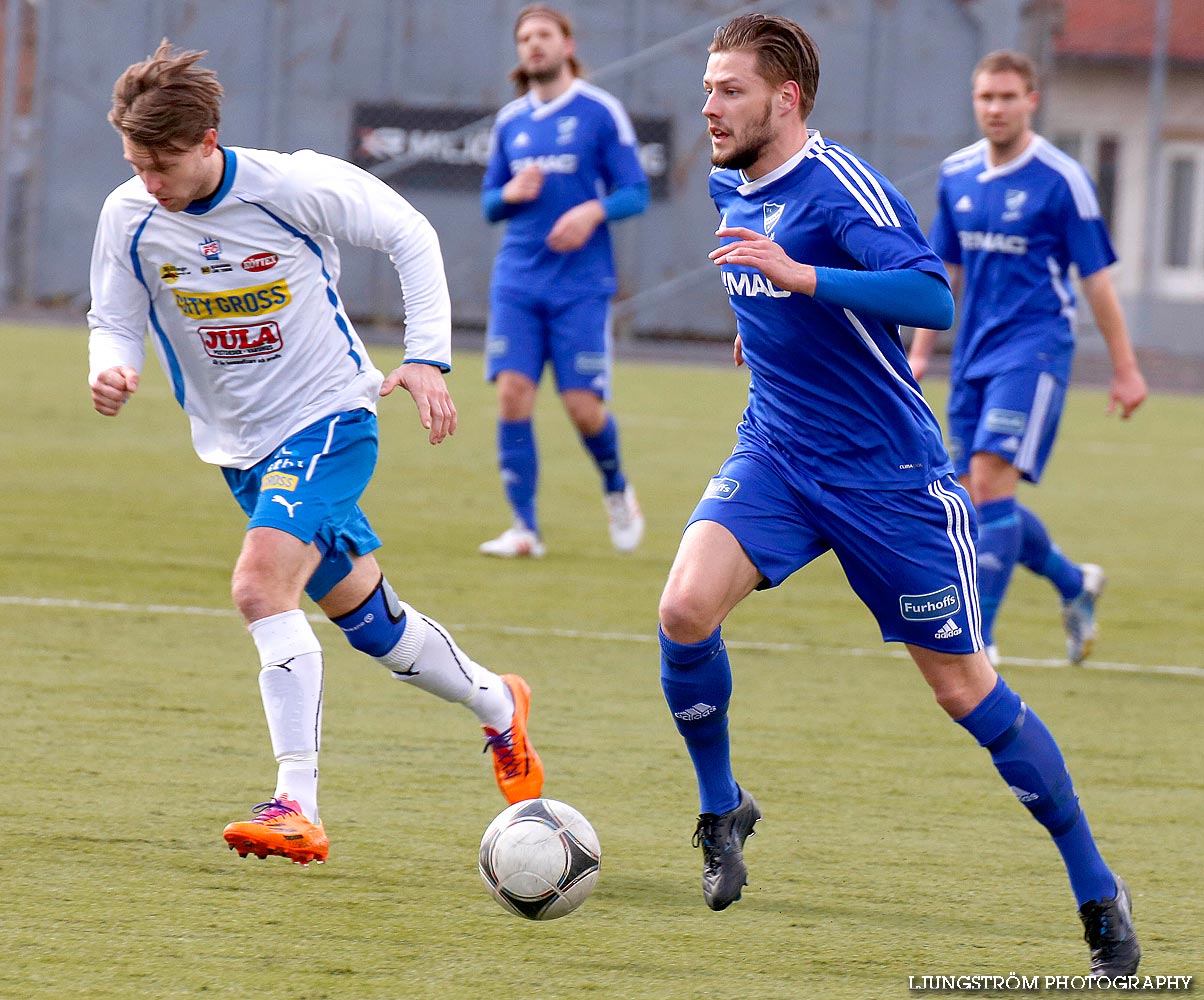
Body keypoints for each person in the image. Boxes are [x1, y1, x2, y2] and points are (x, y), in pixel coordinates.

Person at [656, 14, 1139, 976]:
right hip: (780, 455)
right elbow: (756, 268)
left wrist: (800, 276)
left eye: (729, 90)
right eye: (707, 87)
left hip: (890, 482)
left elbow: (932, 298)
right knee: (682, 608)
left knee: (966, 691)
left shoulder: (843, 191)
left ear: (785, 99)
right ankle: (722, 809)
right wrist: (758, 324)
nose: (708, 105)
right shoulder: (730, 178)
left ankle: (1096, 888)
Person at [87, 40, 543, 867]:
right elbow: (113, 317)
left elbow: (409, 231)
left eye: (163, 162)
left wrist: (427, 357)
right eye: (135, 161)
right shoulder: (130, 215)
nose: (149, 179)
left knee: (259, 586)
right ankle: (499, 705)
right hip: (239, 452)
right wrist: (110, 367)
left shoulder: (289, 185)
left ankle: (296, 801)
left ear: (209, 139)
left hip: (330, 417)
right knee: (372, 626)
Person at [908, 50, 1147, 667]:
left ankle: (977, 638)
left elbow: (1096, 280)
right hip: (973, 354)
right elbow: (945, 271)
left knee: (988, 480)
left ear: (1031, 101)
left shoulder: (1061, 178)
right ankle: (1074, 582)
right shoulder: (957, 174)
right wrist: (920, 355)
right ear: (974, 101)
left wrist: (1125, 367)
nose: (996, 108)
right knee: (973, 500)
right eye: (986, 97)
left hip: (1035, 347)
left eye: (1009, 97)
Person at [478, 4, 650, 558]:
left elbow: (635, 192)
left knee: (582, 406)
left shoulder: (600, 112)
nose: (534, 44)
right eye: (525, 37)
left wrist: (590, 213)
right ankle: (524, 529)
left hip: (580, 283)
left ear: (567, 44)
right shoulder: (511, 122)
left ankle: (617, 488)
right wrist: (509, 195)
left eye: (544, 35)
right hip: (518, 280)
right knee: (512, 395)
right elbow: (488, 203)